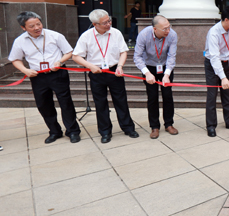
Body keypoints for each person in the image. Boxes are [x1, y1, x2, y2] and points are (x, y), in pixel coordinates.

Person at [8, 11, 81, 144]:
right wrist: (25, 70)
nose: (37, 28)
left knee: (66, 103)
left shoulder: (55, 35)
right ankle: (54, 131)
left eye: (38, 24)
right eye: (31, 26)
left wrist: (59, 61)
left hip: (57, 74)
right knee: (43, 105)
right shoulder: (19, 41)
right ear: (23, 27)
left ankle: (73, 131)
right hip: (37, 76)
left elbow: (69, 52)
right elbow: (15, 59)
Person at [73, 9, 138, 144]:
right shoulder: (86, 36)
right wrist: (90, 66)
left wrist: (120, 66)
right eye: (104, 23)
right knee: (100, 103)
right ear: (95, 24)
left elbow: (123, 52)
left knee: (121, 101)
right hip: (96, 73)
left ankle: (128, 127)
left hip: (115, 71)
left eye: (109, 20)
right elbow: (76, 56)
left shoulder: (116, 33)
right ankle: (105, 131)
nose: (108, 24)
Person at [133, 15, 179, 139]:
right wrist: (147, 73)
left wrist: (167, 74)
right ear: (155, 29)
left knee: (167, 95)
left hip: (165, 67)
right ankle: (154, 126)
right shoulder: (144, 35)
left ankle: (169, 124)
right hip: (149, 67)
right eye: (164, 29)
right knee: (152, 97)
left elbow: (171, 56)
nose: (168, 31)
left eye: (169, 27)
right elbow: (137, 56)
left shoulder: (172, 35)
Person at [204, 6, 229, 137]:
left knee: (227, 94)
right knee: (212, 95)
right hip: (212, 65)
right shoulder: (214, 33)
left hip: (227, 63)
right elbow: (214, 57)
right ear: (226, 20)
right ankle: (211, 125)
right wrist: (222, 77)